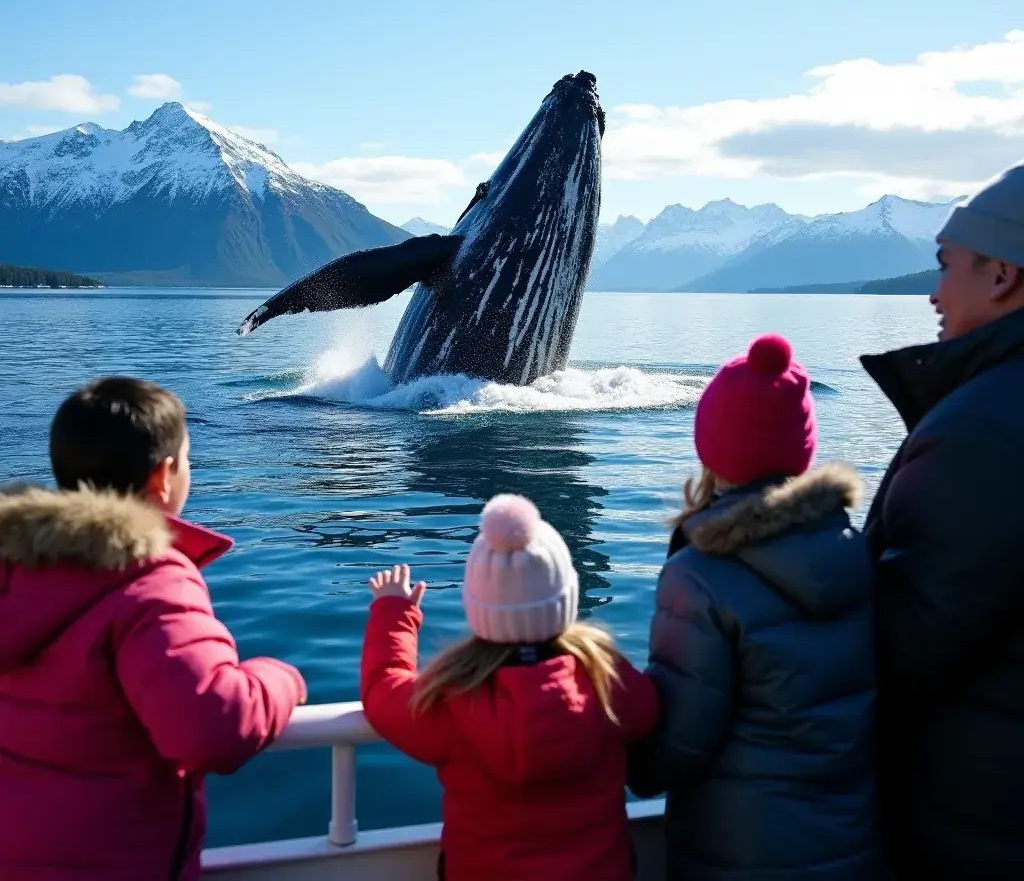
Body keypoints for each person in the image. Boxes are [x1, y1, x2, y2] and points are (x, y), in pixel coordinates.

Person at [0, 377, 307, 881]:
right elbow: (213, 729)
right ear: (165, 477)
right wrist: (280, 678)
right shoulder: (150, 578)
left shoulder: (14, 572)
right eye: (189, 460)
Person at [628, 334, 881, 880]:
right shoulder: (857, 550)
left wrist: (626, 760)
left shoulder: (699, 576)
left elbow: (679, 742)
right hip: (856, 843)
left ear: (711, 449)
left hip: (737, 850)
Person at [860, 163, 1024, 880]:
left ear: (1001, 275)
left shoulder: (983, 431)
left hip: (976, 823)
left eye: (946, 265)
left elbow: (908, 643)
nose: (932, 292)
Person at [360, 493, 659, 881]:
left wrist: (394, 612)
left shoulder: (451, 705)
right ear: (565, 600)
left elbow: (382, 691)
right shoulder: (606, 684)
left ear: (476, 605)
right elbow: (650, 709)